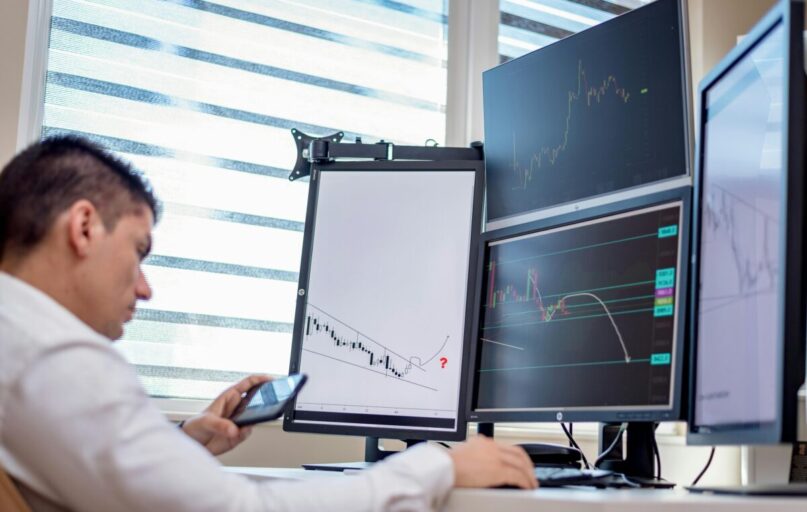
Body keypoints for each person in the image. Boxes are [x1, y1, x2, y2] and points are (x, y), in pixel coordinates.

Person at [0, 136, 537, 512]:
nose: (145, 288)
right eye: (139, 252)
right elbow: (241, 509)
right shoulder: (54, 358)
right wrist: (442, 469)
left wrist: (183, 445)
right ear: (84, 227)